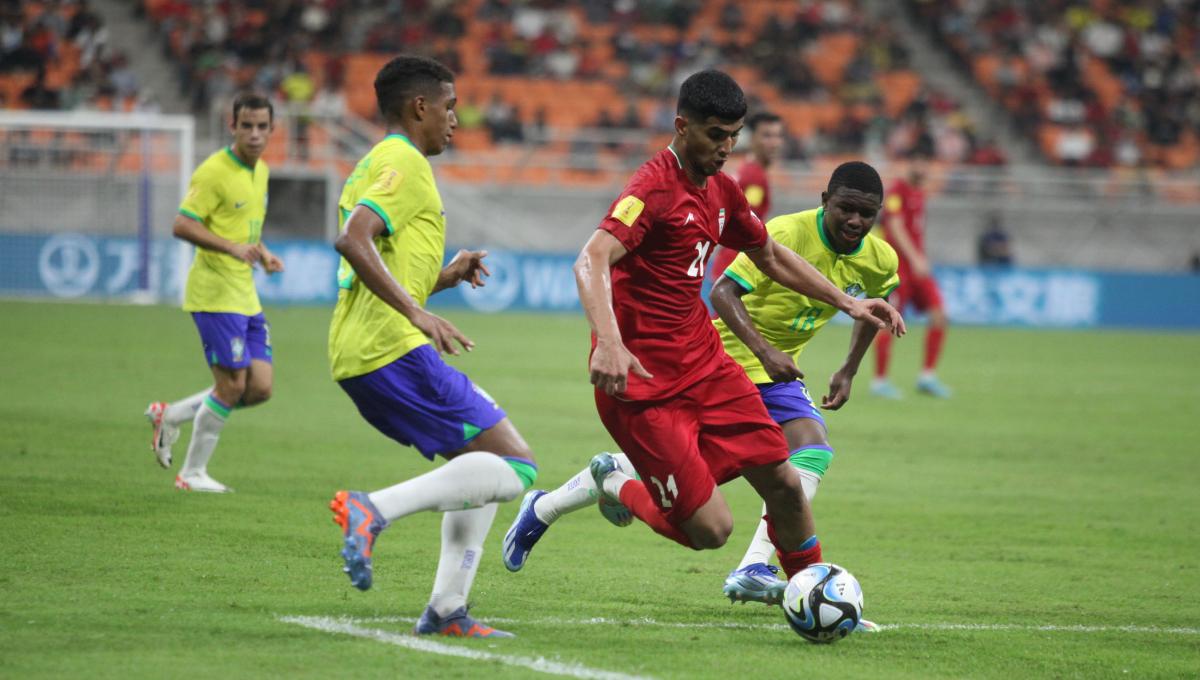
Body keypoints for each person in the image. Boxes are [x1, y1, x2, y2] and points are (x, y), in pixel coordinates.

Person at [501, 70, 903, 596]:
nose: (726, 148)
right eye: (716, 135)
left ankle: (812, 591)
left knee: (785, 481)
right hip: (644, 385)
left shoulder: (723, 190)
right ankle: (615, 481)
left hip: (709, 366)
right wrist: (610, 341)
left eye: (734, 136)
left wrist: (848, 302)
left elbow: (771, 255)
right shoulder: (652, 187)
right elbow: (592, 257)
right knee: (712, 530)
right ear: (682, 126)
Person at [325, 55, 538, 639]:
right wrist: (418, 312)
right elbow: (353, 239)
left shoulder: (374, 161)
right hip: (389, 348)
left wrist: (441, 278)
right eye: (449, 106)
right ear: (420, 106)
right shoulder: (403, 161)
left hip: (365, 351)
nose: (456, 119)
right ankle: (373, 511)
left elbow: (377, 255)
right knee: (515, 466)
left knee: (483, 464)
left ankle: (447, 609)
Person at [144, 92, 284, 493]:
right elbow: (182, 224)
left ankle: (170, 414)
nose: (255, 134)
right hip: (214, 294)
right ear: (233, 127)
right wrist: (231, 248)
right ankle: (191, 474)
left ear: (272, 130)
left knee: (259, 388)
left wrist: (264, 253)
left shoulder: (262, 172)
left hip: (245, 293)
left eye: (262, 127)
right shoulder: (213, 172)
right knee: (232, 387)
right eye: (247, 126)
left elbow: (245, 229)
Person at [872, 157, 951, 399]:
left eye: (928, 164)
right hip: (898, 268)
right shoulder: (897, 192)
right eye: (922, 163)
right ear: (910, 164)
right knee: (887, 321)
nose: (926, 168)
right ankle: (880, 381)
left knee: (939, 315)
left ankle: (927, 376)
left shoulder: (919, 193)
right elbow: (895, 226)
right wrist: (915, 257)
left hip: (917, 269)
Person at [706, 110, 785, 284]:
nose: (774, 143)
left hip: (730, 265)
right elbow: (749, 227)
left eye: (778, 136)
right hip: (738, 269)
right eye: (767, 135)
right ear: (751, 138)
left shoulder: (747, 170)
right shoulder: (755, 177)